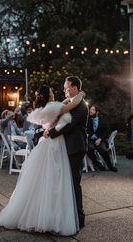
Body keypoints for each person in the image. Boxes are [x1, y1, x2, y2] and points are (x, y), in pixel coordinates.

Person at [0, 84, 84, 236]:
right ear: (48, 95)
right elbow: (72, 104)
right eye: (52, 91)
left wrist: (68, 99)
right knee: (55, 180)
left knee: (42, 181)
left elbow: (64, 104)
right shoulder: (54, 107)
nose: (54, 93)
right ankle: (51, 218)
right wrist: (80, 94)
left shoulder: (41, 110)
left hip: (45, 144)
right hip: (55, 146)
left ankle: (38, 215)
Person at [44, 75, 89, 229]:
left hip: (75, 148)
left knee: (74, 183)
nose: (64, 90)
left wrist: (50, 133)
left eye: (66, 88)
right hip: (68, 147)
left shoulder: (81, 106)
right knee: (67, 183)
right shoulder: (71, 103)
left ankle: (79, 218)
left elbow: (68, 125)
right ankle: (69, 216)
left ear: (75, 88)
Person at [87, 105, 117, 172]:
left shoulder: (103, 120)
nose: (90, 111)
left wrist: (100, 139)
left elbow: (106, 131)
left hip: (100, 140)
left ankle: (110, 166)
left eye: (92, 110)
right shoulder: (87, 120)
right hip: (90, 140)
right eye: (90, 109)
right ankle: (98, 164)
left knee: (104, 150)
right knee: (89, 149)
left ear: (97, 112)